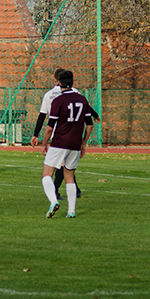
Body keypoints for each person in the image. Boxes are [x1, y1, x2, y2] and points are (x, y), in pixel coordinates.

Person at [30, 68, 101, 199]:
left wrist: (36, 135)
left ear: (57, 80)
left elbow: (42, 115)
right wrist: (95, 115)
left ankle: (55, 194)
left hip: (57, 133)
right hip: (74, 134)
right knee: (66, 166)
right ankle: (71, 196)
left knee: (59, 167)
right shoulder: (76, 93)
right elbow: (86, 105)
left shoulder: (50, 94)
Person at [40, 70, 94, 218]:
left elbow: (50, 127)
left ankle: (53, 201)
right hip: (75, 144)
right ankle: (71, 211)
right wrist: (83, 143)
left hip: (59, 143)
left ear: (59, 83)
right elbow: (89, 125)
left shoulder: (57, 101)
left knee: (46, 174)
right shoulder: (83, 99)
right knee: (69, 177)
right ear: (72, 82)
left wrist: (44, 143)